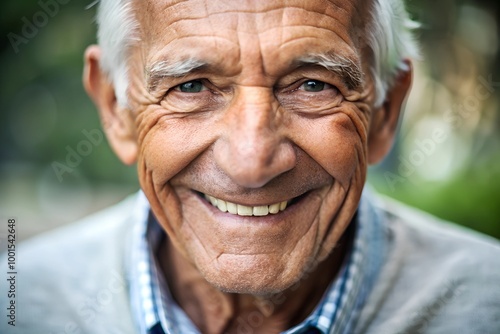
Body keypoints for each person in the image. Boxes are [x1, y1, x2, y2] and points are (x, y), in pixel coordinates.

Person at [2, 0, 500, 333]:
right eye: (191, 86)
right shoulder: (20, 301)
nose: (251, 163)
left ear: (386, 111)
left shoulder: (485, 302)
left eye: (313, 85)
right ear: (115, 108)